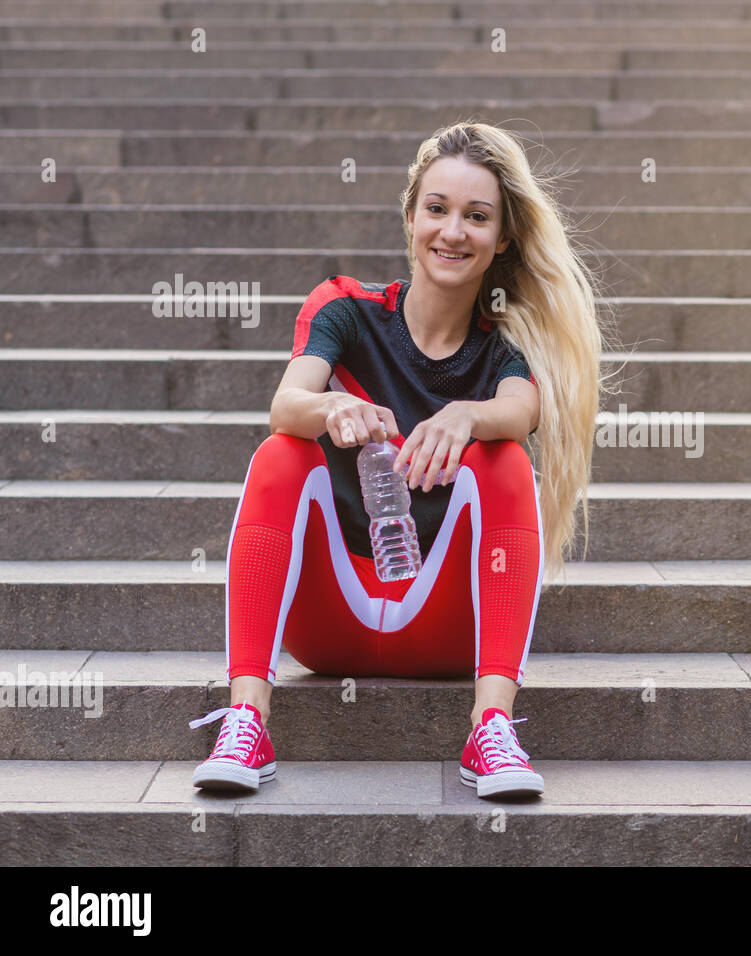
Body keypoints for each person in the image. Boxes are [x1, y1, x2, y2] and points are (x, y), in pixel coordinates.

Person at [187, 121, 613, 799]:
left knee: (504, 461)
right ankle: (246, 720)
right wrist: (331, 409)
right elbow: (286, 402)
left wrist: (465, 415)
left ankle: (492, 728)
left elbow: (520, 411)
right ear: (410, 214)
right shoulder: (345, 310)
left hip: (443, 630)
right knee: (281, 452)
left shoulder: (508, 341)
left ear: (501, 238)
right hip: (332, 625)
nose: (452, 232)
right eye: (437, 209)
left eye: (476, 217)